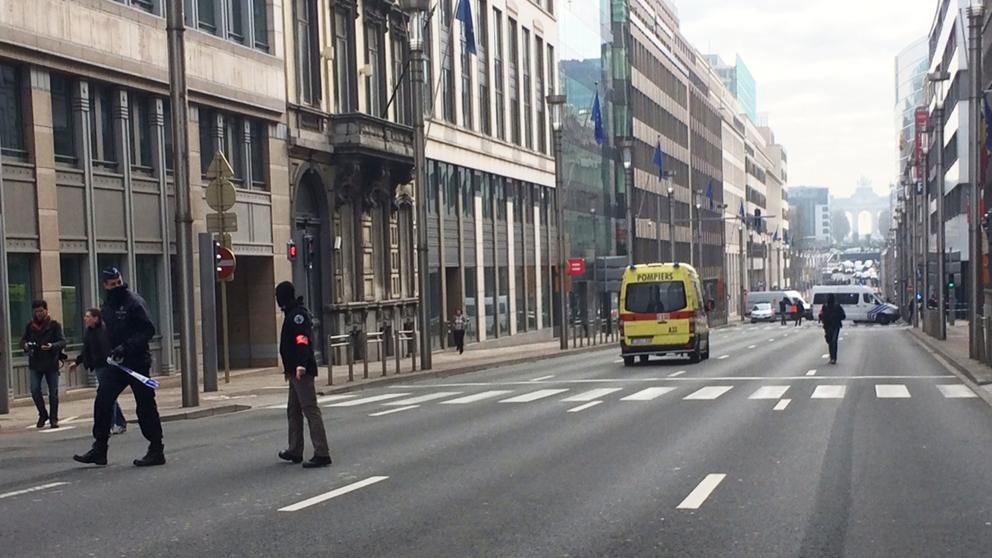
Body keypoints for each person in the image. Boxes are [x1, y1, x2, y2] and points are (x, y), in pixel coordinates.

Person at [74, 267, 164, 467]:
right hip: (117, 364)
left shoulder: (134, 302)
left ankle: (156, 448)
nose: (116, 286)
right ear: (105, 285)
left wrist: (126, 347)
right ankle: (100, 449)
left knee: (146, 405)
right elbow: (104, 332)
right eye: (112, 284)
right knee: (103, 402)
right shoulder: (107, 306)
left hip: (137, 362)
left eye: (118, 282)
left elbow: (148, 329)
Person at [275, 281, 331, 469]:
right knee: (293, 410)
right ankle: (295, 449)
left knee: (309, 409)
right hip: (294, 371)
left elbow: (302, 340)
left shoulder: (297, 316)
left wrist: (300, 365)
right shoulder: (292, 313)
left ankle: (322, 452)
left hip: (301, 371)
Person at [69, 308, 127, 435]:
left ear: (96, 318)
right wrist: (78, 362)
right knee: (108, 396)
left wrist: (114, 360)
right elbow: (86, 350)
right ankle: (120, 422)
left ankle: (114, 424)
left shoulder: (104, 331)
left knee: (107, 396)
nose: (85, 319)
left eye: (88, 316)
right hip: (99, 366)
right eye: (85, 316)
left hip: (108, 366)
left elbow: (109, 348)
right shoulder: (89, 332)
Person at [21, 300, 67, 429]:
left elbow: (63, 341)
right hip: (35, 362)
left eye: (41, 311)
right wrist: (26, 345)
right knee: (35, 390)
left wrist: (52, 346)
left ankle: (53, 418)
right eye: (36, 311)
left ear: (46, 310)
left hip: (51, 362)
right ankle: (43, 414)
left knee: (53, 392)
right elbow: (23, 340)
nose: (39, 314)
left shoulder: (54, 325)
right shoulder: (30, 326)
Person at [820, 293, 846, 364]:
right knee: (831, 341)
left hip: (834, 326)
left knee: (833, 341)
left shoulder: (836, 307)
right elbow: (821, 315)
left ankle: (833, 358)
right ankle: (833, 357)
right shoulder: (826, 307)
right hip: (830, 326)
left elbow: (843, 316)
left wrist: (836, 318)